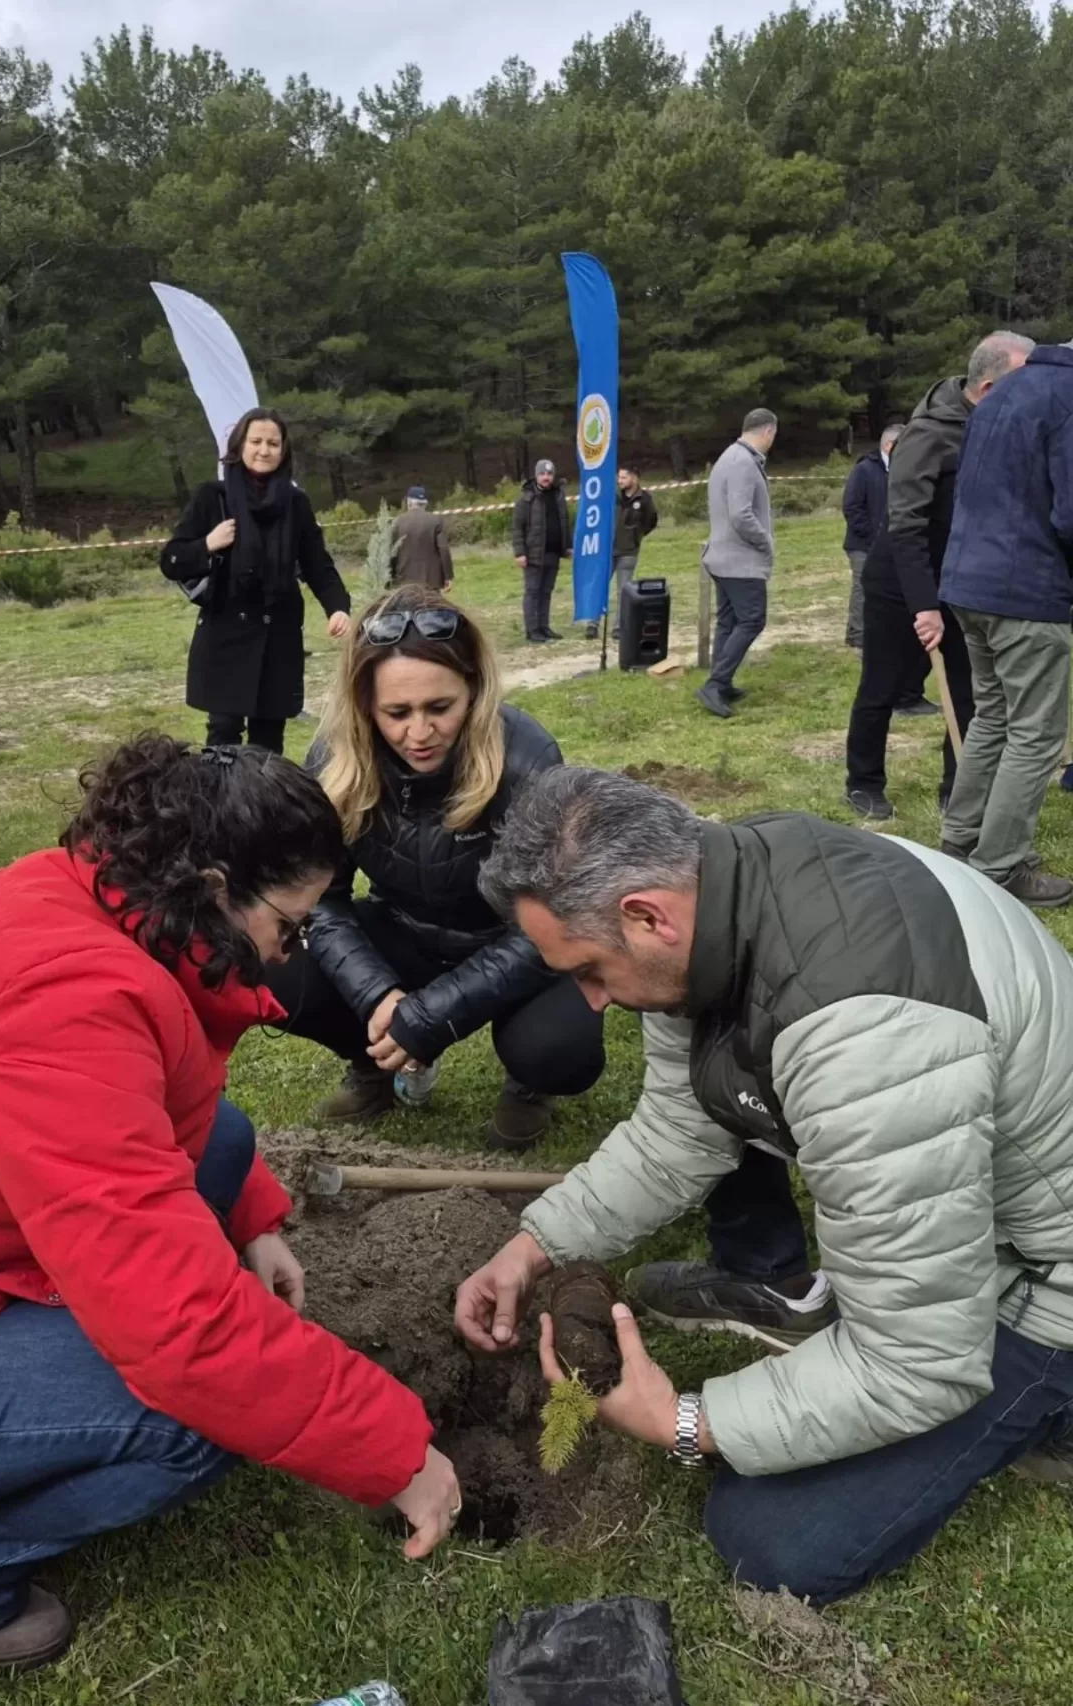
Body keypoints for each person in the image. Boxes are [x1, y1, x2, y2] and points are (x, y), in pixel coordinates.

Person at [0, 735, 459, 1669]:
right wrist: (397, 1452)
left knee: (223, 1147)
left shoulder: (91, 897)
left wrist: (251, 1215)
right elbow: (180, 1336)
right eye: (293, 923)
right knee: (192, 1412)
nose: (291, 949)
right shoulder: (60, 1006)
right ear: (216, 887)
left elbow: (166, 1121)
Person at [458, 764, 1073, 1605]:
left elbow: (921, 1362)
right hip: (979, 1222)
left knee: (773, 1536)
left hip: (1049, 1278)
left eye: (591, 970)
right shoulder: (719, 891)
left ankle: (1054, 1408)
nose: (591, 1000)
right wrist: (536, 1245)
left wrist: (683, 1422)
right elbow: (679, 1131)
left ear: (647, 917)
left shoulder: (861, 1030)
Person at [262, 585, 605, 1150]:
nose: (418, 734)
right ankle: (374, 1057)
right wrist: (378, 996)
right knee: (273, 969)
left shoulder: (528, 758)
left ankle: (528, 1085)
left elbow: (552, 920)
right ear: (364, 704)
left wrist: (436, 1014)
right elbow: (321, 900)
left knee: (561, 1051)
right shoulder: (333, 761)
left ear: (474, 689)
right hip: (406, 928)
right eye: (396, 713)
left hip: (513, 940)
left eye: (440, 708)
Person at [843, 333, 1033, 821]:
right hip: (900, 581)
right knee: (882, 686)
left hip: (961, 581)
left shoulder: (1000, 426)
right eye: (1023, 379)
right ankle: (863, 782)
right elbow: (905, 527)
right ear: (989, 387)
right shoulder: (928, 434)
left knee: (968, 690)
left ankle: (958, 789)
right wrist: (924, 605)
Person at [939, 339, 1073, 907]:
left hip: (969, 582)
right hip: (1026, 589)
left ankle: (960, 837)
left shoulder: (1000, 395)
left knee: (993, 716)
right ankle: (1000, 864)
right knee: (1035, 733)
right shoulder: (1067, 398)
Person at [160, 408, 351, 754]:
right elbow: (171, 560)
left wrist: (337, 608)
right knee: (223, 734)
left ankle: (266, 792)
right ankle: (220, 792)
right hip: (225, 634)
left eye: (273, 443)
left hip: (279, 635)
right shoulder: (213, 497)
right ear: (240, 446)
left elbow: (318, 565)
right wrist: (207, 543)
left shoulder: (296, 503)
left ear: (283, 451)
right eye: (256, 441)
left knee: (269, 740)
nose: (264, 450)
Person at [695, 409, 777, 718]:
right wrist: (765, 542)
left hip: (722, 556)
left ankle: (723, 682)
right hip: (740, 560)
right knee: (752, 620)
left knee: (728, 622)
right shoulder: (743, 462)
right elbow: (741, 514)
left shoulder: (728, 456)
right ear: (767, 431)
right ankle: (715, 684)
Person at [841, 423, 902, 649]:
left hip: (890, 543)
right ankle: (857, 633)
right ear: (888, 445)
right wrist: (871, 536)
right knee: (862, 587)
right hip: (862, 544)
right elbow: (851, 507)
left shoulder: (900, 469)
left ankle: (883, 630)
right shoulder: (864, 469)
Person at [585, 466, 660, 641]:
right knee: (600, 587)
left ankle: (619, 626)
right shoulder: (612, 496)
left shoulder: (644, 499)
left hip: (628, 551)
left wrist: (636, 535)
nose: (620, 481)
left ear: (634, 478)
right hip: (607, 550)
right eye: (619, 477)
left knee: (623, 591)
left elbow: (651, 520)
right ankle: (592, 623)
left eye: (624, 477)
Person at [512, 458, 571, 644]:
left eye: (549, 474)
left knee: (546, 591)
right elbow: (517, 528)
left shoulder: (558, 496)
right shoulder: (526, 499)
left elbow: (565, 522)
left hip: (553, 552)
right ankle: (532, 630)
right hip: (534, 554)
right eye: (543, 474)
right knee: (533, 592)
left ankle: (544, 626)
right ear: (536, 476)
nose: (546, 477)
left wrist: (567, 546)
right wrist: (519, 553)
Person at [390, 485, 453, 591]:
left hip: (404, 581)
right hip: (432, 581)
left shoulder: (398, 522)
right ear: (425, 504)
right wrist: (448, 576)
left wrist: (390, 577)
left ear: (409, 502)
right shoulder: (436, 520)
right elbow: (444, 549)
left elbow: (391, 552)